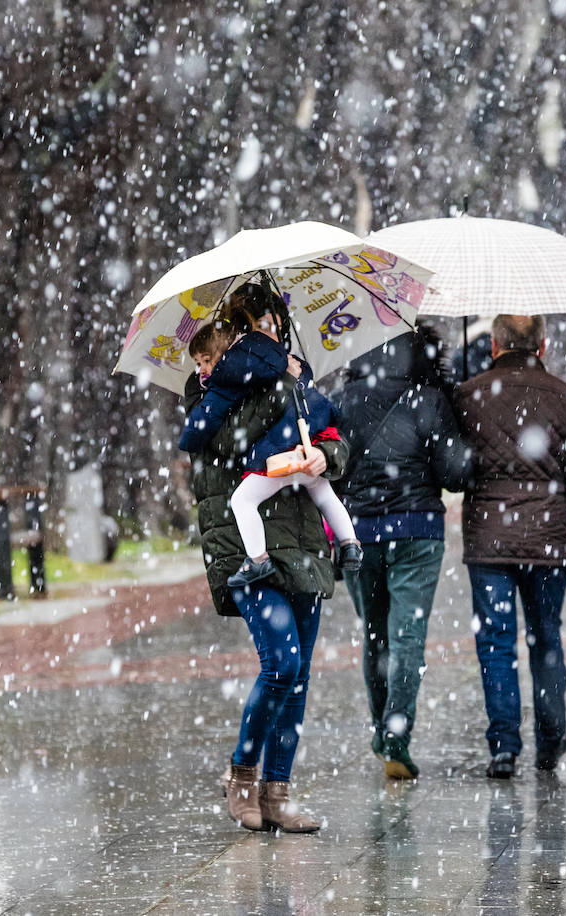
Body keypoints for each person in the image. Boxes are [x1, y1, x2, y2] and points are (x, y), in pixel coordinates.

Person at [182, 285, 351, 833]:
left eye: (275, 322)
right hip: (248, 548)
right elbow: (227, 445)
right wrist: (279, 382)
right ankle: (242, 775)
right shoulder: (209, 390)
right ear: (239, 331)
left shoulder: (292, 378)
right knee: (281, 665)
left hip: (303, 544)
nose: (274, 331)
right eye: (262, 324)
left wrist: (321, 453)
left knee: (298, 677)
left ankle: (278, 791)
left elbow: (336, 443)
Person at [456, 314, 566, 778]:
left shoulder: (468, 395)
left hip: (489, 541)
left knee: (496, 643)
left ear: (495, 346)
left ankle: (503, 745)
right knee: (546, 637)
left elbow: (453, 468)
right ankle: (550, 738)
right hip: (548, 540)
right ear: (542, 346)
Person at [334, 327, 473, 780]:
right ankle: (396, 734)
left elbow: (330, 472)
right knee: (407, 637)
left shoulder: (343, 399)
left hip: (358, 534)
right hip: (417, 532)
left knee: (375, 637)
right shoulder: (429, 397)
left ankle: (383, 727)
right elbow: (456, 474)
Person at [178, 316, 362, 587]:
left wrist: (189, 436)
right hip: (307, 441)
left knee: (242, 500)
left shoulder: (233, 373)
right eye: (199, 364)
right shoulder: (286, 361)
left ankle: (257, 559)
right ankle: (350, 544)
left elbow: (213, 425)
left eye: (207, 360)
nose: (204, 369)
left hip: (279, 455)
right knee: (323, 492)